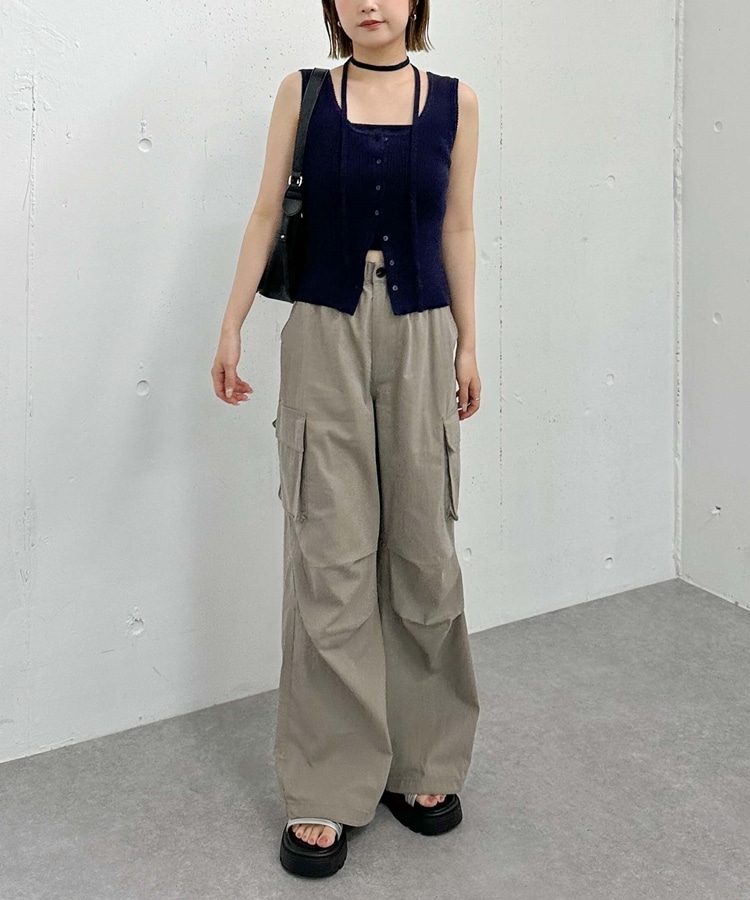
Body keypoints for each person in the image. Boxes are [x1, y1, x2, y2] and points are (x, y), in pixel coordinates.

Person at [211, 0, 482, 879]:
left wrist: (469, 343)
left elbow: (456, 226)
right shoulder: (302, 94)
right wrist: (232, 323)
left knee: (423, 547)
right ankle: (328, 781)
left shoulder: (456, 102)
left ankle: (423, 760)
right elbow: (265, 213)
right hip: (323, 330)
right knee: (330, 555)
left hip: (422, 331)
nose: (370, 2)